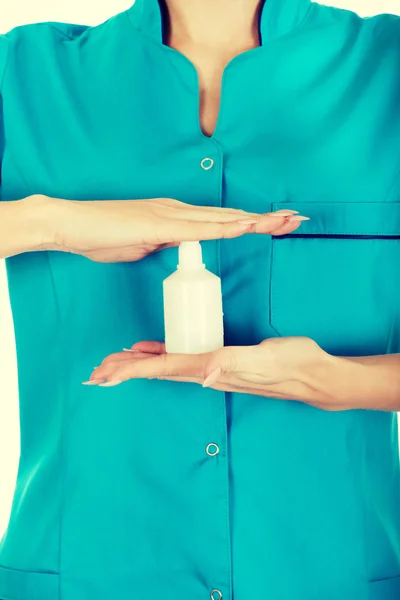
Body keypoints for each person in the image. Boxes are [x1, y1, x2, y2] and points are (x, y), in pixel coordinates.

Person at [0, 0, 399, 598]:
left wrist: (339, 381)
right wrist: (48, 222)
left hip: (326, 568)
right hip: (85, 568)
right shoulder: (23, 72)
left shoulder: (387, 64)